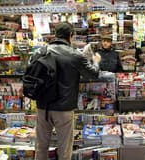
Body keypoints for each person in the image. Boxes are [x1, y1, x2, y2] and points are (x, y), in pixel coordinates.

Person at [35, 22, 101, 160]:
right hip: (63, 109)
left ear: (55, 35)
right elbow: (93, 74)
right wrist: (96, 61)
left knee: (41, 147)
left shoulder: (40, 52)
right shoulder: (75, 55)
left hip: (43, 106)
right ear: (71, 35)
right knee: (64, 149)